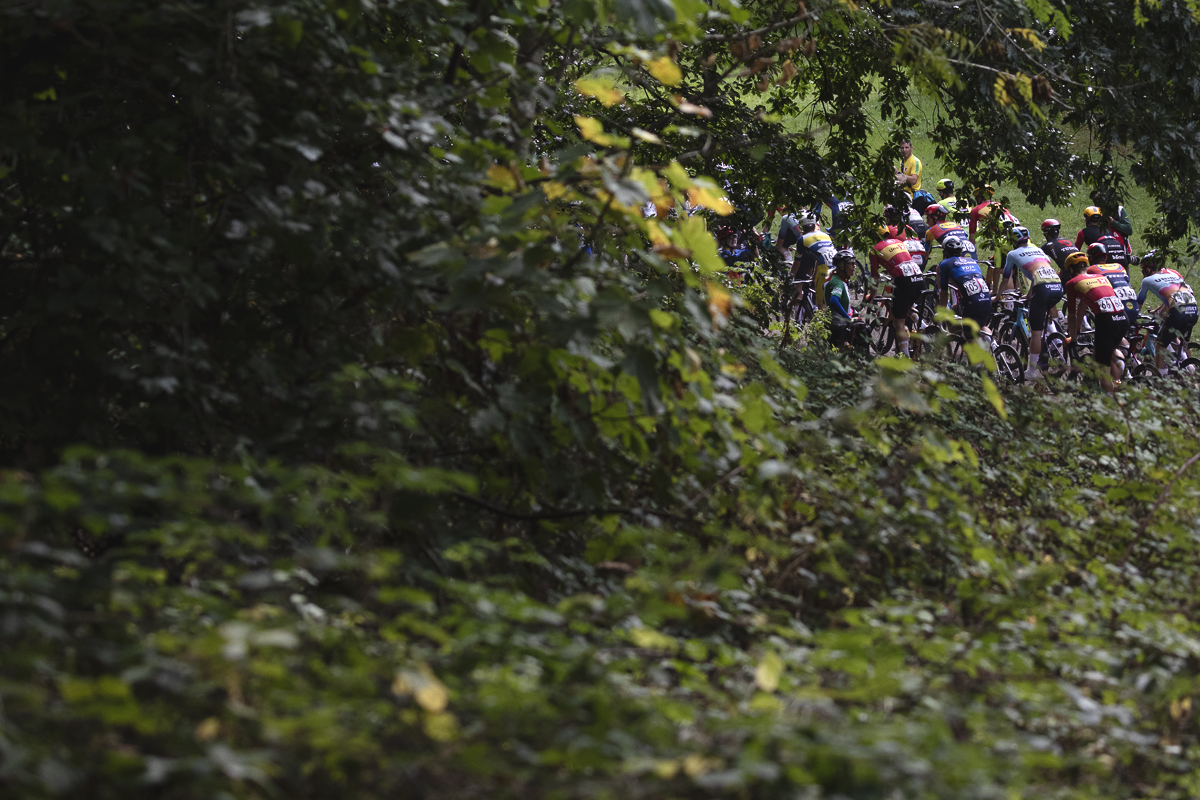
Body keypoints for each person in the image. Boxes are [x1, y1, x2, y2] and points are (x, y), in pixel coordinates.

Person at [1001, 226, 1064, 380]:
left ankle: (1030, 371)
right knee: (1043, 309)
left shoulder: (1012, 253)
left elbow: (1005, 279)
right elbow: (1038, 274)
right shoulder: (1040, 251)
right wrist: (1029, 294)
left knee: (1035, 332)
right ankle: (1054, 336)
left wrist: (997, 297)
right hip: (1057, 286)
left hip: (1042, 288)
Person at [1064, 251, 1130, 392]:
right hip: (1123, 318)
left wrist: (1073, 338)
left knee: (1103, 373)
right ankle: (1122, 380)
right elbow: (1083, 305)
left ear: (1070, 270)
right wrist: (1079, 328)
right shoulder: (1101, 277)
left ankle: (1111, 406)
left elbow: (1072, 315)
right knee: (1107, 352)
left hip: (1106, 321)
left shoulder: (1072, 283)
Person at [1136, 252, 1198, 376]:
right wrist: (1158, 311)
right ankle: (1190, 369)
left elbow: (1139, 304)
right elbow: (1175, 297)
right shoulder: (1174, 275)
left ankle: (1163, 381)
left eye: (1143, 270)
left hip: (1178, 311)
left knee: (1160, 347)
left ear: (1148, 269)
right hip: (1193, 309)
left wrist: (1134, 318)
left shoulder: (1147, 280)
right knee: (1176, 339)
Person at [870, 226, 925, 358]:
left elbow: (875, 278)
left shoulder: (874, 250)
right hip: (918, 276)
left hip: (902, 279)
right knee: (905, 306)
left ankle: (905, 357)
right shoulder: (899, 242)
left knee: (898, 321)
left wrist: (872, 297)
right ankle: (922, 324)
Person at [937, 237, 993, 343]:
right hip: (986, 298)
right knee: (982, 327)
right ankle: (994, 347)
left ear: (945, 251)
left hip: (972, 302)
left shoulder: (944, 264)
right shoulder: (972, 261)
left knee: (970, 339)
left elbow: (944, 293)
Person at [967, 185, 1018, 292]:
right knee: (1013, 268)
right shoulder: (1000, 205)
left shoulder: (976, 210)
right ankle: (1017, 296)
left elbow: (972, 236)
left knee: (1005, 270)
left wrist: (969, 254)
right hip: (1016, 236)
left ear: (979, 197)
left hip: (1003, 240)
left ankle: (1009, 301)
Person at [792, 214, 836, 309]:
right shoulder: (825, 235)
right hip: (837, 268)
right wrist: (814, 276)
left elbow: (797, 263)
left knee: (822, 309)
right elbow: (820, 257)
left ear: (802, 226)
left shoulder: (802, 240)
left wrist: (790, 276)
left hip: (825, 272)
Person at [1085, 242, 1139, 318]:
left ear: (1092, 257)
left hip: (1114, 309)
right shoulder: (1120, 266)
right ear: (1106, 257)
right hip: (1132, 305)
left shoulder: (1091, 269)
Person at [825, 249, 864, 348]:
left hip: (837, 324)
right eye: (851, 264)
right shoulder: (838, 282)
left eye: (854, 264)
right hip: (838, 327)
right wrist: (847, 318)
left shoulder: (836, 279)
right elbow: (834, 300)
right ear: (842, 266)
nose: (854, 267)